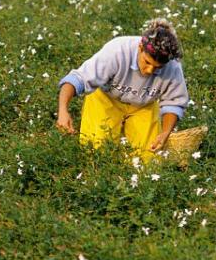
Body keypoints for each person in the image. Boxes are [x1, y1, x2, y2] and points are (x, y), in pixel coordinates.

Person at [56, 19, 188, 163]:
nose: (150, 70)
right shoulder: (117, 51)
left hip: (144, 105)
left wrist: (165, 133)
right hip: (106, 98)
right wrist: (63, 110)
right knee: (95, 152)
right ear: (140, 47)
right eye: (147, 62)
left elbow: (174, 103)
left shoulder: (172, 66)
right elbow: (78, 79)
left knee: (149, 159)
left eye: (158, 68)